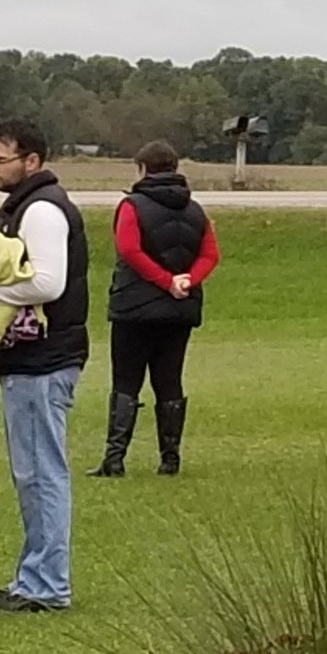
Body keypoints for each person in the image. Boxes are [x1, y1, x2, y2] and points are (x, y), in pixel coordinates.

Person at [0, 120, 87, 614]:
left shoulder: (41, 210)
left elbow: (47, 284)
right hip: (33, 358)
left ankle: (46, 585)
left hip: (43, 359)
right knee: (33, 472)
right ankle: (33, 578)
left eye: (1, 161)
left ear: (32, 161)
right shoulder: (30, 205)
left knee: (41, 473)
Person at [96, 141, 221, 478]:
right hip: (179, 310)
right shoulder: (196, 210)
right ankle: (170, 459)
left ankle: (115, 458)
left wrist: (165, 281)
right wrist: (185, 282)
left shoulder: (132, 206)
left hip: (134, 307)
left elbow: (129, 251)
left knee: (126, 380)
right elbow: (210, 254)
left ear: (142, 169)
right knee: (169, 380)